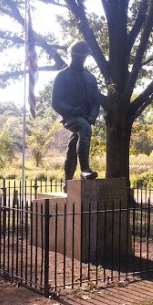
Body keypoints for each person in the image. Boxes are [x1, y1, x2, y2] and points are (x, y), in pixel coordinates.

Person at [52, 40, 100, 192]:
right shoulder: (62, 76)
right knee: (84, 129)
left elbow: (96, 101)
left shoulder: (91, 78)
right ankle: (84, 168)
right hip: (70, 117)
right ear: (71, 56)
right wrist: (72, 110)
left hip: (87, 117)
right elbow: (56, 102)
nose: (80, 60)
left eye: (83, 57)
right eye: (77, 57)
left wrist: (92, 116)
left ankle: (67, 181)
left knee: (73, 145)